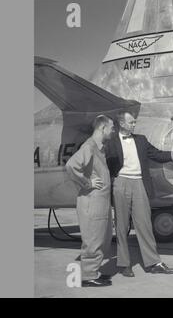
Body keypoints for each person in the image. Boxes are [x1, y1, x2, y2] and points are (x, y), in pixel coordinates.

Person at [105, 110, 173, 277]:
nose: (134, 124)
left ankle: (154, 262)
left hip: (139, 183)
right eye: (131, 122)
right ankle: (124, 263)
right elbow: (101, 161)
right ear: (122, 123)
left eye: (135, 122)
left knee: (145, 224)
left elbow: (156, 154)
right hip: (120, 183)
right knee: (122, 226)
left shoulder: (141, 140)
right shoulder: (110, 142)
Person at [65, 115, 115, 287]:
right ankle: (87, 277)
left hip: (100, 203)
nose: (113, 131)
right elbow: (71, 166)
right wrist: (87, 182)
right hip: (92, 202)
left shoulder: (99, 149)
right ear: (102, 128)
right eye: (111, 127)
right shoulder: (89, 146)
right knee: (93, 239)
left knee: (102, 238)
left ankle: (93, 271)